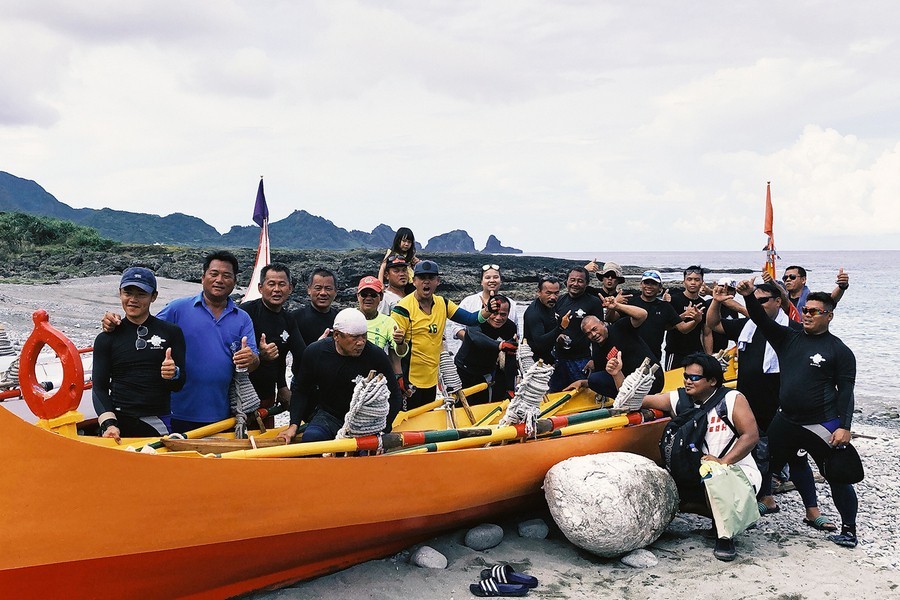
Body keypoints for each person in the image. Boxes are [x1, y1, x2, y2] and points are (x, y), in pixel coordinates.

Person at [736, 280, 860, 548]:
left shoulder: (839, 350)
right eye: (805, 310)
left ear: (829, 315)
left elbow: (846, 392)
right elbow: (760, 319)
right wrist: (747, 296)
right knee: (764, 461)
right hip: (786, 420)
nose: (807, 314)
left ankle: (848, 529)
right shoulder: (787, 338)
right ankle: (759, 503)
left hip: (822, 424)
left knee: (838, 475)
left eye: (815, 311)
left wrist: (845, 426)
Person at [102, 251, 260, 433]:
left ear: (234, 281)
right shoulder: (177, 309)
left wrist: (251, 359)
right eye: (214, 274)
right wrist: (113, 323)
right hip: (175, 411)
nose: (219, 280)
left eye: (226, 275)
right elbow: (142, 328)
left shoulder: (242, 319)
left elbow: (253, 363)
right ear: (203, 277)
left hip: (222, 414)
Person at [707, 281, 826, 519]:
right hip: (749, 403)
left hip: (783, 405)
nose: (757, 305)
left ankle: (812, 511)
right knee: (756, 454)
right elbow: (714, 325)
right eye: (755, 300)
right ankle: (766, 498)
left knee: (795, 456)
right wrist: (717, 302)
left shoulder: (792, 330)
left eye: (762, 301)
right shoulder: (747, 326)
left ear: (778, 301)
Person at [641, 352, 761, 561]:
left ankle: (725, 536)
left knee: (714, 474)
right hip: (696, 472)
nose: (688, 381)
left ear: (712, 380)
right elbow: (638, 401)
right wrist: (617, 376)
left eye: (694, 377)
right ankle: (727, 517)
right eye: (686, 376)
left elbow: (751, 436)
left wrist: (723, 462)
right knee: (671, 495)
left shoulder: (732, 399)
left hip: (737, 472)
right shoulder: (680, 399)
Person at [278, 308, 402, 443]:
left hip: (365, 419)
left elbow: (394, 396)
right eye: (354, 337)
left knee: (364, 450)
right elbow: (301, 390)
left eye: (364, 336)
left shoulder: (376, 355)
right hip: (329, 416)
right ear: (336, 335)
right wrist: (293, 425)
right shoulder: (316, 352)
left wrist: (383, 428)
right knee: (311, 438)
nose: (361, 342)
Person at [391, 260, 500, 409]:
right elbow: (396, 351)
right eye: (422, 278)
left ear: (438, 281)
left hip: (431, 379)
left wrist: (488, 310)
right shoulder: (402, 309)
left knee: (427, 419)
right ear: (414, 281)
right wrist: (398, 375)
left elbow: (470, 319)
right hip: (409, 379)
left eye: (431, 278)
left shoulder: (443, 303)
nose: (426, 282)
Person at [93, 267, 186, 440]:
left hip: (157, 421)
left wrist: (173, 374)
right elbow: (99, 387)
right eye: (128, 293)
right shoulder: (106, 338)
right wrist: (108, 424)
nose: (133, 300)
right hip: (117, 424)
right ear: (120, 293)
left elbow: (179, 385)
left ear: (154, 297)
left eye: (141, 294)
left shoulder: (172, 333)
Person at [239, 263, 306, 421]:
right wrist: (260, 356)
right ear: (260, 288)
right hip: (240, 397)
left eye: (282, 284)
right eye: (271, 284)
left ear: (290, 288)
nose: (277, 289)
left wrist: (282, 386)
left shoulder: (288, 320)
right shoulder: (245, 313)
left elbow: (297, 355)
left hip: (267, 396)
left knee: (263, 444)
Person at [564, 300, 663, 398]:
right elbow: (603, 377)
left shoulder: (620, 327)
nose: (593, 335)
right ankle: (623, 401)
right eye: (588, 334)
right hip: (629, 385)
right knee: (594, 379)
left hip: (651, 378)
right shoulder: (596, 350)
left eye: (594, 329)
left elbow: (643, 314)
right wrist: (582, 382)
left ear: (603, 324)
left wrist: (617, 306)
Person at [549, 267, 606, 392]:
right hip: (558, 359)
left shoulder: (593, 302)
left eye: (580, 281)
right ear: (567, 282)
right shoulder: (559, 301)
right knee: (556, 394)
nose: (575, 284)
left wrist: (594, 359)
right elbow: (552, 327)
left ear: (587, 283)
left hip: (582, 360)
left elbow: (601, 335)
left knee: (583, 394)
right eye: (572, 280)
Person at [453, 295, 518, 404]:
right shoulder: (477, 320)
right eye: (495, 313)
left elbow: (510, 358)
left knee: (483, 404)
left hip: (486, 372)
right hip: (464, 370)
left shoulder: (510, 327)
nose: (498, 318)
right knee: (461, 406)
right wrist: (500, 345)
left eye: (503, 314)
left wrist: (510, 387)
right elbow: (476, 339)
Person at [445, 264, 519, 355]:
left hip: (500, 356)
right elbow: (456, 327)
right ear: (481, 281)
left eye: (496, 277)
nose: (492, 280)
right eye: (487, 277)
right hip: (471, 355)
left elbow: (515, 333)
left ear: (501, 281)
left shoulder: (511, 304)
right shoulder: (468, 302)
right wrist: (474, 341)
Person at [626, 270, 682, 363]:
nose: (649, 286)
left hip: (654, 356)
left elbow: (682, 327)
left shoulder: (665, 306)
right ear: (641, 284)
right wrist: (613, 305)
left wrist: (696, 319)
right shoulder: (630, 302)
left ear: (660, 287)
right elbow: (611, 319)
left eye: (653, 283)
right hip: (630, 355)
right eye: (646, 282)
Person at [356, 275, 408, 366]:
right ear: (358, 296)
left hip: (377, 372)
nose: (368, 298)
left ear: (381, 297)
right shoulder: (347, 317)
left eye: (373, 295)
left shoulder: (388, 322)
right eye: (364, 294)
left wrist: (400, 342)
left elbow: (401, 352)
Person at [664, 265, 708, 370]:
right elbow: (667, 326)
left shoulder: (703, 304)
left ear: (702, 282)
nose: (693, 282)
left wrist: (708, 355)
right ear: (684, 281)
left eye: (697, 280)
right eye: (689, 279)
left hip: (696, 351)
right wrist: (685, 315)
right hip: (675, 351)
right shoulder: (674, 300)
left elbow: (707, 333)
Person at [763, 265, 850, 313]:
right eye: (785, 278)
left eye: (792, 277)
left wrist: (842, 286)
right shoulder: (779, 301)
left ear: (803, 280)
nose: (788, 279)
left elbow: (833, 298)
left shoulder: (812, 299)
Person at [291, 267, 339, 345]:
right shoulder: (294, 318)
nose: (323, 293)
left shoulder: (339, 319)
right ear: (309, 289)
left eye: (328, 288)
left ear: (335, 292)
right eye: (318, 288)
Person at [523, 276, 562, 365]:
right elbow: (540, 342)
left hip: (551, 357)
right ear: (539, 292)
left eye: (556, 293)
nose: (553, 297)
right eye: (548, 293)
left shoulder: (552, 304)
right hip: (534, 361)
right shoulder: (534, 313)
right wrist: (560, 328)